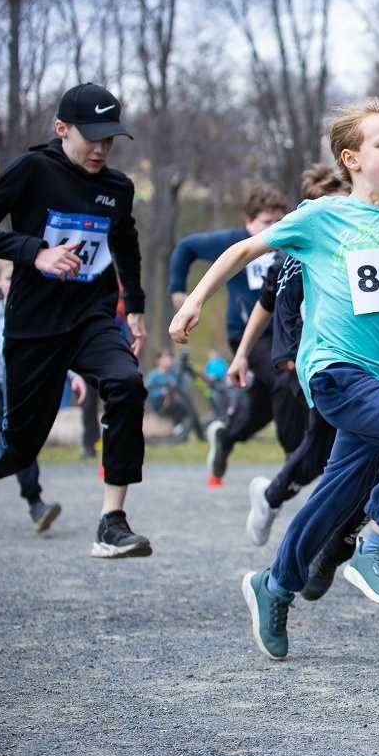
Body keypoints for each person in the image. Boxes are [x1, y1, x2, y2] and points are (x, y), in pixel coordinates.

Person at [171, 97, 379, 660]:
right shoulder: (322, 217)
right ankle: (377, 545)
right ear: (351, 158)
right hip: (335, 372)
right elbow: (246, 248)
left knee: (333, 494)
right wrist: (195, 301)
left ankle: (272, 585)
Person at [0, 82, 152, 558]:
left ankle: (112, 522)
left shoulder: (117, 188)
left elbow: (124, 243)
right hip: (34, 325)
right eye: (92, 137)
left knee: (127, 383)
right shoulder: (32, 170)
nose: (102, 148)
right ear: (62, 129)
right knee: (17, 451)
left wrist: (138, 310)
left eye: (110, 138)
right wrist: (34, 254)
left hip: (91, 316)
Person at [229, 164, 349, 548]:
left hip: (354, 364)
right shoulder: (291, 257)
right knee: (320, 452)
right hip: (311, 364)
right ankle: (279, 504)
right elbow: (265, 307)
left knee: (342, 452)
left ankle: (324, 527)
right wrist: (242, 354)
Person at [169, 184, 304, 486]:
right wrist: (179, 291)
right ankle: (295, 460)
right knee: (284, 378)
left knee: (265, 403)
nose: (275, 228)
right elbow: (185, 247)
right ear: (248, 222)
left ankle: (227, 436)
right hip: (248, 336)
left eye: (279, 221)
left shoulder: (289, 242)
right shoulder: (234, 242)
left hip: (286, 334)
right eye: (267, 222)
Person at [0, 259, 64, 531]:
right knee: (20, 442)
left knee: (11, 436)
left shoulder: (35, 315)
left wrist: (74, 377)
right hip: (2, 386)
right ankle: (35, 502)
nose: (15, 286)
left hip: (29, 387)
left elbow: (54, 351)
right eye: (8, 279)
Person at [144, 348, 195, 441]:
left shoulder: (175, 373)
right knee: (176, 405)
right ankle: (178, 430)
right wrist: (163, 392)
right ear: (158, 360)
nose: (169, 360)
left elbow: (183, 387)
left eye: (170, 357)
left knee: (185, 406)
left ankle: (182, 429)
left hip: (177, 401)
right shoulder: (153, 376)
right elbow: (148, 392)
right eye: (165, 357)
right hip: (161, 404)